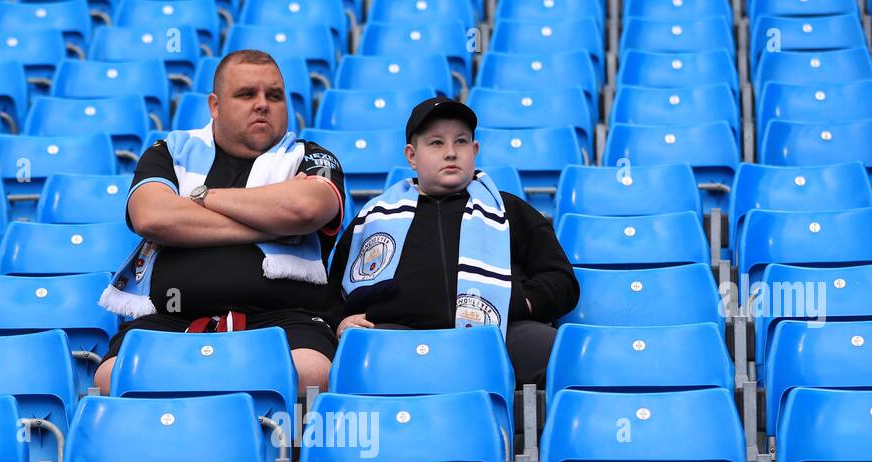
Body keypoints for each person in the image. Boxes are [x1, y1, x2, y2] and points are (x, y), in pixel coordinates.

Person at [95, 49, 346, 394]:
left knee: (310, 372)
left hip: (286, 319)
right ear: (215, 105)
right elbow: (152, 217)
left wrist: (201, 197)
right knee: (110, 377)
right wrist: (272, 220)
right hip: (172, 317)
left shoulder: (312, 157)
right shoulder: (170, 152)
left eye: (274, 95)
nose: (262, 104)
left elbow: (304, 211)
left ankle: (293, 449)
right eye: (246, 94)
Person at [328, 97, 580, 386]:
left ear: (474, 151)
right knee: (358, 356)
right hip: (399, 335)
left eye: (460, 142)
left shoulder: (509, 210)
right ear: (412, 155)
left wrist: (523, 302)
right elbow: (333, 289)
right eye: (436, 143)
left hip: (498, 332)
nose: (450, 153)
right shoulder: (374, 218)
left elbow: (562, 281)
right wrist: (340, 321)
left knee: (564, 355)